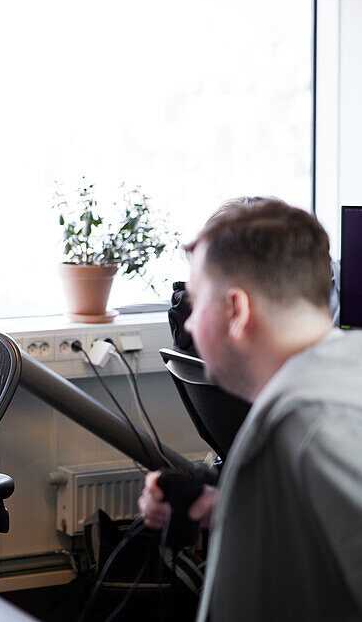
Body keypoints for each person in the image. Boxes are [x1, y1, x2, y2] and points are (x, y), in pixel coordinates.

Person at [138, 199, 362, 621]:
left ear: (237, 310)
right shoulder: (330, 377)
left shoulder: (315, 422)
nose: (187, 324)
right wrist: (216, 505)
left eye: (196, 299)